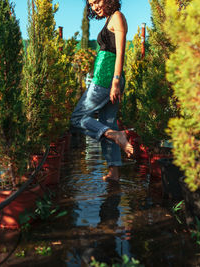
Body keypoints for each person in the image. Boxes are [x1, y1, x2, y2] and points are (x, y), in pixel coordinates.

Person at [70, 0, 133, 181]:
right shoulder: (110, 20)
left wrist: (114, 81)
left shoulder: (118, 17)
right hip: (105, 79)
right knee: (108, 122)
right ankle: (114, 172)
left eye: (97, 1)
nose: (94, 7)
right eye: (91, 4)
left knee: (77, 118)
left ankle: (116, 135)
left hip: (106, 80)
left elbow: (120, 52)